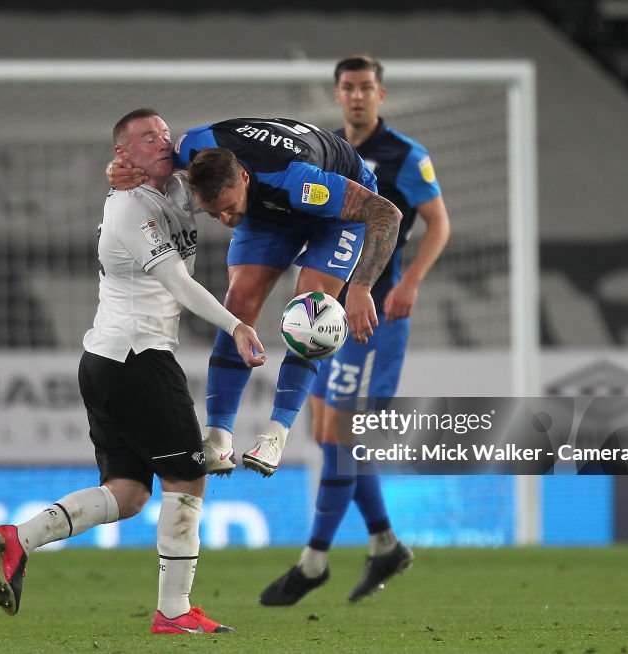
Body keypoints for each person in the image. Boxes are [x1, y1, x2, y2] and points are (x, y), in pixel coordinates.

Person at [0, 109, 265, 635]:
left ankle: (20, 537)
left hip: (106, 361)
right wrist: (237, 326)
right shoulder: (130, 209)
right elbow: (179, 284)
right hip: (137, 358)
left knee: (129, 492)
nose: (162, 142)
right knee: (188, 479)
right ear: (122, 155)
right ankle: (174, 612)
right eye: (145, 138)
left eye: (163, 133)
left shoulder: (176, 190)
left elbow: (214, 179)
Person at [111, 116, 402, 478]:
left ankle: (275, 436)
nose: (226, 219)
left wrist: (361, 288)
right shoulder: (193, 148)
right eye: (214, 213)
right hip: (266, 209)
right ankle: (218, 437)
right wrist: (122, 169)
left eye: (230, 208)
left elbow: (386, 213)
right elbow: (149, 161)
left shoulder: (299, 182)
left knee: (313, 315)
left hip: (337, 211)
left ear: (244, 178)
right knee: (239, 305)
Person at [259, 55, 451, 606]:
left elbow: (439, 223)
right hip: (330, 315)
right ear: (338, 95)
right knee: (329, 436)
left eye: (367, 87)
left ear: (381, 95)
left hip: (377, 318)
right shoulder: (325, 152)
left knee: (343, 436)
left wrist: (409, 281)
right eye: (349, 88)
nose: (358, 96)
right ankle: (386, 543)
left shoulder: (407, 157)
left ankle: (313, 561)